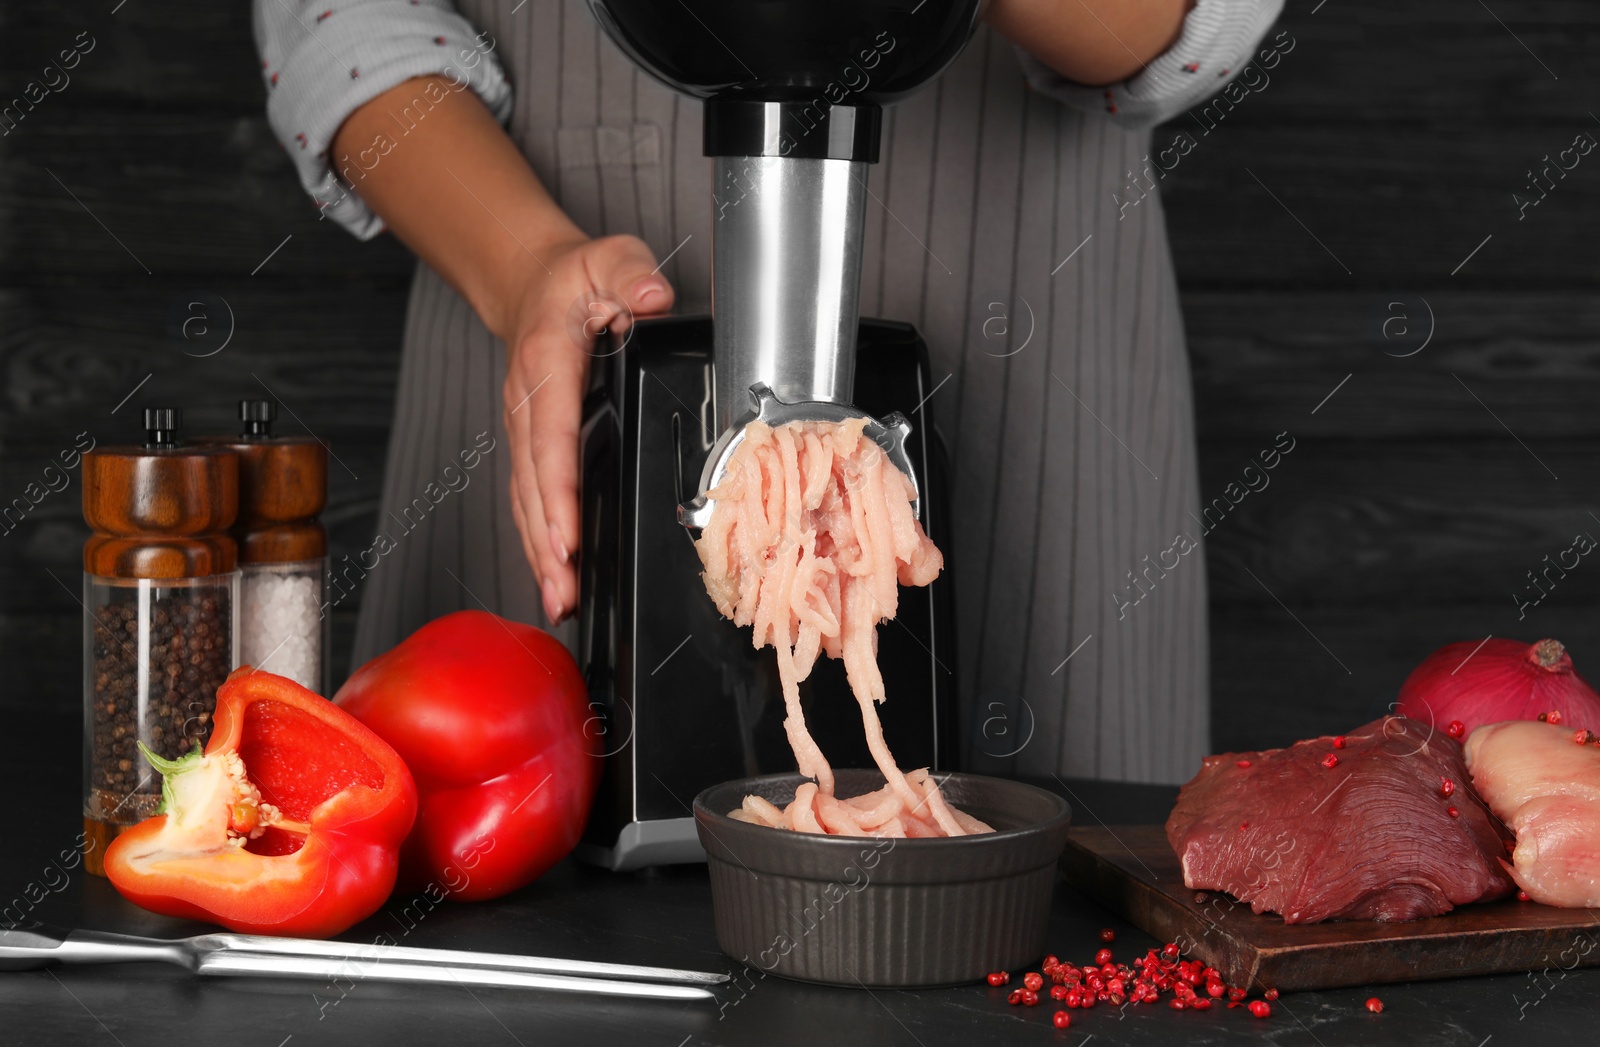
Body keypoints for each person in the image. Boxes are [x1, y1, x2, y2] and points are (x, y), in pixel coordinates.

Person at [254, 0, 1283, 783]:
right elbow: (342, 19)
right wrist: (524, 267)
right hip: (536, 293)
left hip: (1021, 334)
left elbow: (1188, 26)